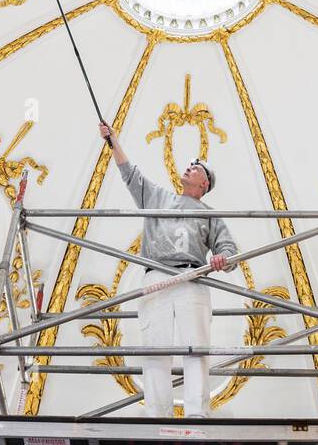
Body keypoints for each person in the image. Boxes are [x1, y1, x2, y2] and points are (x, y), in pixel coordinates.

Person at [99, 121, 239, 418]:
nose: (190, 167)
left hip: (192, 279)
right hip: (157, 276)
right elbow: (130, 175)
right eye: (190, 165)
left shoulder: (211, 216)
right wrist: (113, 141)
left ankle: (197, 414)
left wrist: (221, 260)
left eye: (197, 167)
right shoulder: (158, 197)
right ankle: (156, 414)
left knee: (196, 348)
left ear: (205, 184)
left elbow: (230, 251)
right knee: (155, 350)